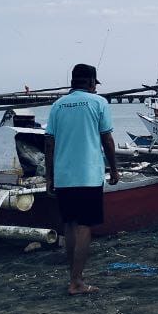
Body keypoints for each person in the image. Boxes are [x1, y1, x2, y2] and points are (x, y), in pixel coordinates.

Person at [44, 63, 119, 296]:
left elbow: (49, 143)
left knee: (69, 226)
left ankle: (74, 276)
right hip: (88, 176)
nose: (96, 86)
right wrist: (114, 169)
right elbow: (107, 139)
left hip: (64, 176)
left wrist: (49, 177)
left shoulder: (57, 106)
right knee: (85, 226)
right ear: (90, 82)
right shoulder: (98, 103)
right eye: (95, 82)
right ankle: (76, 281)